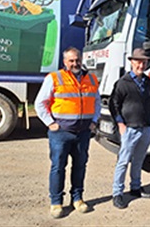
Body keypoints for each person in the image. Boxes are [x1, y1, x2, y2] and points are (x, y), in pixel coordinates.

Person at [35, 46, 101, 218]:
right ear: (65, 62)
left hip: (83, 132)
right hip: (61, 133)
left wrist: (94, 121)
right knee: (58, 167)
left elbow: (97, 102)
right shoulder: (55, 78)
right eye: (71, 60)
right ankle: (56, 202)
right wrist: (50, 123)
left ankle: (77, 198)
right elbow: (40, 103)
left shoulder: (92, 79)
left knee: (80, 166)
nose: (75, 63)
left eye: (77, 60)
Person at [110, 48, 150, 209]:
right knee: (123, 161)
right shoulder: (123, 83)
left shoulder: (148, 82)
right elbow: (113, 104)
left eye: (144, 62)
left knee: (139, 160)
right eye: (138, 62)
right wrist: (120, 124)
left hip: (145, 127)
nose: (141, 65)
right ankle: (117, 193)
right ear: (131, 62)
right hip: (129, 128)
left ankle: (135, 187)